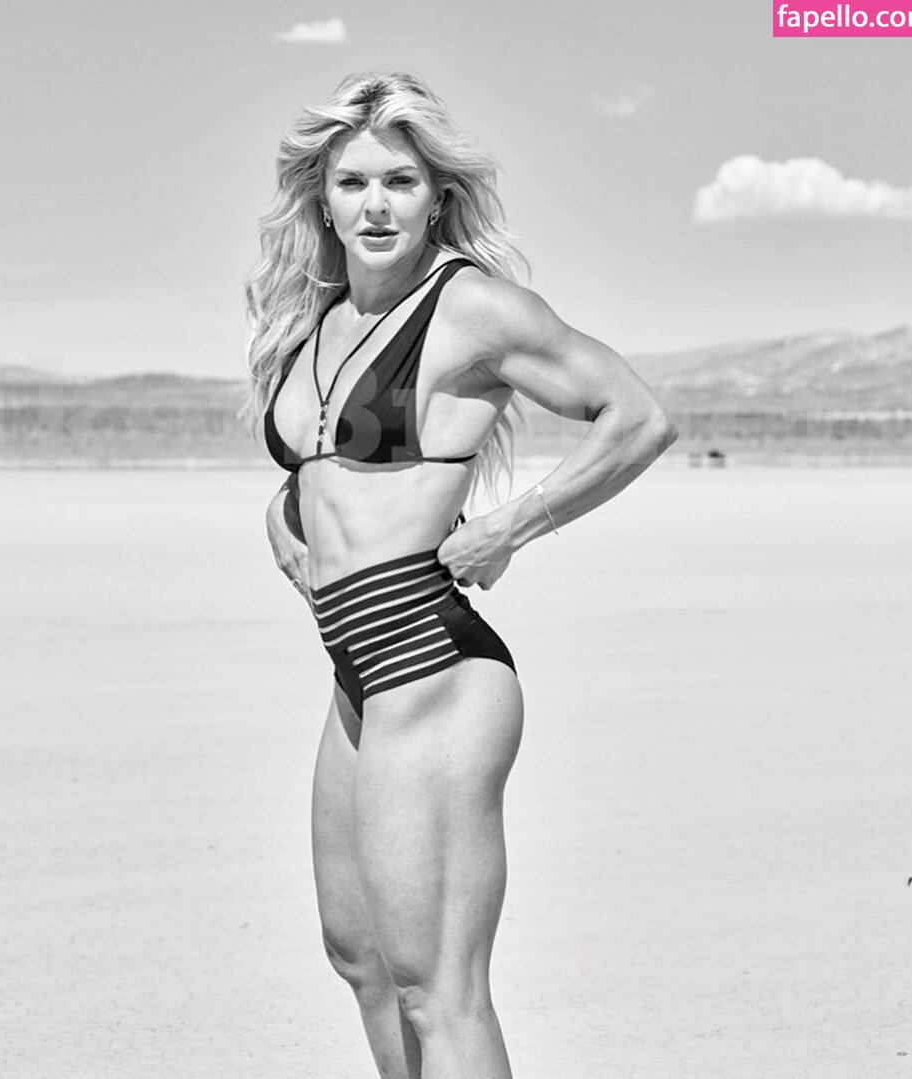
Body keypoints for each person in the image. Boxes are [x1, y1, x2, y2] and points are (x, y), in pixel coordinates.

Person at [244, 71, 676, 1079]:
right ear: (323, 200)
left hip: (434, 664)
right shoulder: (319, 321)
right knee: (360, 956)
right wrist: (280, 514)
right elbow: (327, 465)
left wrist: (514, 524)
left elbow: (637, 415)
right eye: (353, 182)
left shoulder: (469, 307)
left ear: (437, 197)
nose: (377, 205)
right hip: (355, 671)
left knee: (438, 986)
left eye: (401, 181)